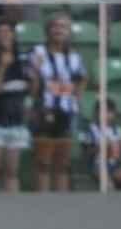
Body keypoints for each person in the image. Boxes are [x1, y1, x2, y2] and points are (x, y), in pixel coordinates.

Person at [30, 12, 85, 193]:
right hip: (45, 110)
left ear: (69, 31)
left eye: (63, 27)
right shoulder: (39, 52)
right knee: (43, 162)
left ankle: (61, 202)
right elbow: (34, 85)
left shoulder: (75, 56)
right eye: (55, 26)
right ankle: (42, 201)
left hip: (67, 111)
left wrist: (76, 98)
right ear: (47, 30)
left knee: (63, 162)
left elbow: (82, 79)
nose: (58, 30)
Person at [0, 20, 32, 193]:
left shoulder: (24, 60)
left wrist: (36, 74)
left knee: (12, 173)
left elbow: (32, 91)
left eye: (8, 31)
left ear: (13, 35)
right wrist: (2, 66)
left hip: (17, 123)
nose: (4, 35)